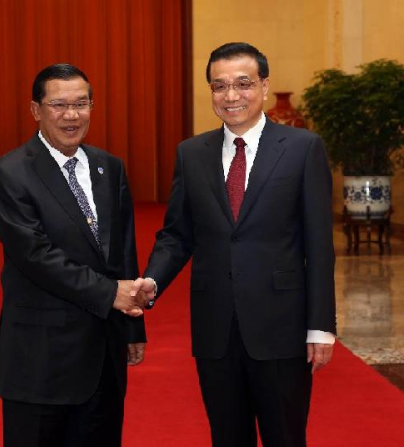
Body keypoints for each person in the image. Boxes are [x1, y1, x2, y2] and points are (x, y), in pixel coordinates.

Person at [134, 42, 336, 447]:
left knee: (286, 435)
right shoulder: (191, 153)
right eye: (219, 86)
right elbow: (177, 234)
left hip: (281, 324)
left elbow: (319, 242)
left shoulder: (302, 148)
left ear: (263, 86)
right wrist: (152, 280)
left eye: (243, 84)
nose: (231, 96)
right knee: (226, 435)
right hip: (215, 326)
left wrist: (320, 327)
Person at [0, 63, 147, 447]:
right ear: (36, 110)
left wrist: (132, 325)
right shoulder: (9, 173)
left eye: (81, 104)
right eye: (58, 104)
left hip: (104, 354)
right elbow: (35, 256)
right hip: (41, 361)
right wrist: (111, 294)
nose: (71, 115)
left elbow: (123, 251)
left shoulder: (110, 167)